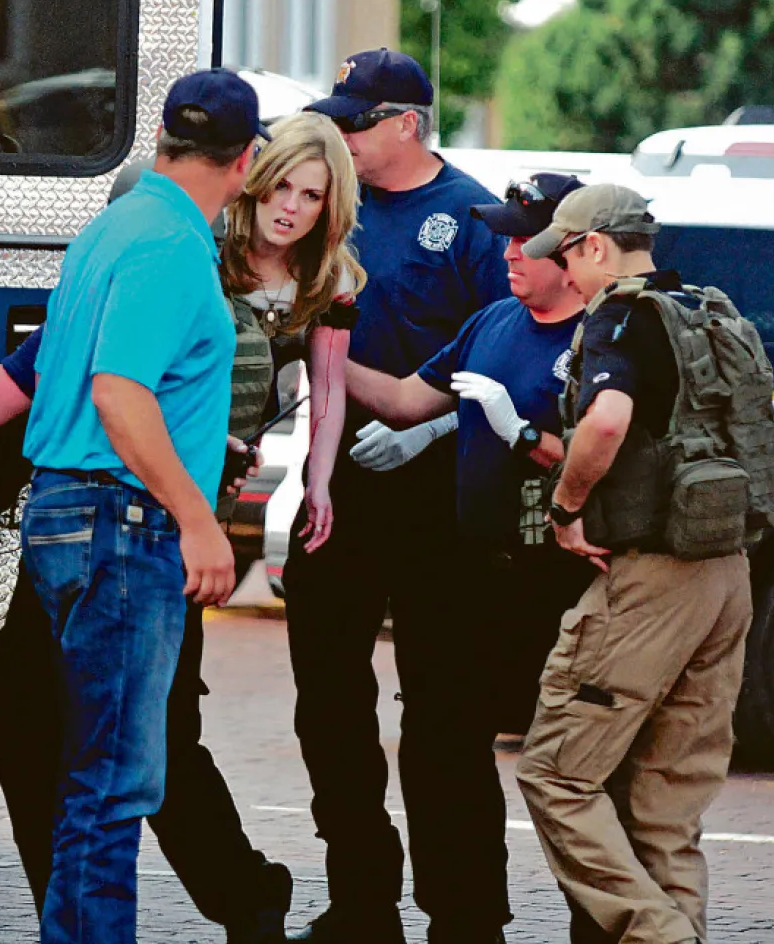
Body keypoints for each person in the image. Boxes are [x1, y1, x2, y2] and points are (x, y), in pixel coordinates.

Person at [21, 67, 264, 944]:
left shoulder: (114, 226)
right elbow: (122, 394)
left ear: (164, 142)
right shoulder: (169, 244)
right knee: (113, 781)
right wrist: (199, 520)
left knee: (93, 773)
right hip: (121, 526)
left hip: (65, 510)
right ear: (244, 163)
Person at [328, 174, 597, 941]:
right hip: (470, 575)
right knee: (440, 745)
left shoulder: (604, 338)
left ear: (575, 252)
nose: (507, 251)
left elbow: (607, 461)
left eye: (525, 240)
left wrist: (522, 435)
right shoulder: (493, 321)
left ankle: (601, 922)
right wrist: (315, 344)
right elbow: (409, 400)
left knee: (572, 768)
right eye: (504, 236)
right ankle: (464, 916)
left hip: (562, 584)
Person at [284, 48, 509, 942]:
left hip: (443, 500)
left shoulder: (475, 219)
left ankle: (464, 913)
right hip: (341, 492)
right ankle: (362, 901)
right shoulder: (325, 210)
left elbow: (511, 356)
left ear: (407, 123)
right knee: (328, 702)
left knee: (447, 715)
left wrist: (435, 424)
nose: (338, 134)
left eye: (355, 121)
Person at [515, 184, 758, 944]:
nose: (565, 271)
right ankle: (675, 926)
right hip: (726, 571)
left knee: (556, 773)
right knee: (665, 802)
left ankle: (658, 934)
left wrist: (564, 504)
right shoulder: (708, 308)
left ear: (594, 245)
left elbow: (608, 419)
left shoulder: (621, 317)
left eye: (566, 254)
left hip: (652, 576)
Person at [219, 111, 365, 550]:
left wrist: (318, 482)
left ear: (328, 205)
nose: (290, 206)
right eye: (281, 184)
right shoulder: (211, 243)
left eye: (310, 195)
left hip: (233, 462)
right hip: (171, 437)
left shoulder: (329, 280)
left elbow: (327, 387)